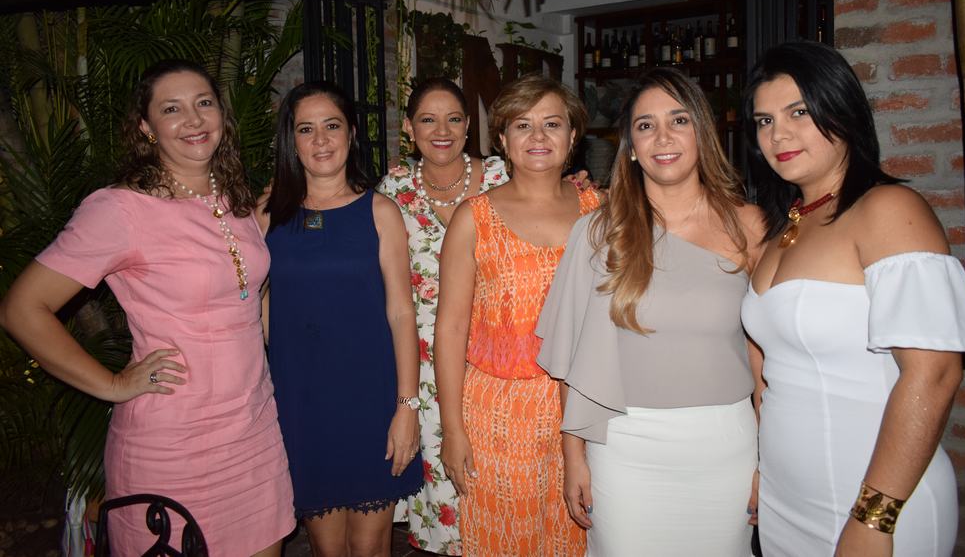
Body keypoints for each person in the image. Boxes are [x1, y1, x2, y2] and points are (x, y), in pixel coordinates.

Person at [0, 60, 295, 555]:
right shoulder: (120, 210)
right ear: (146, 127)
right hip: (173, 445)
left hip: (254, 432)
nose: (193, 119)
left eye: (203, 103)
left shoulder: (235, 197)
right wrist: (112, 384)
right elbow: (23, 309)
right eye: (171, 109)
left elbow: (250, 297)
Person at [740, 40, 965, 556]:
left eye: (799, 112)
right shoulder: (783, 228)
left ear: (841, 109)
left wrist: (874, 517)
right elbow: (772, 374)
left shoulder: (889, 209)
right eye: (765, 121)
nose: (779, 134)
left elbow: (934, 373)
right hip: (787, 499)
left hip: (873, 502)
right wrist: (764, 468)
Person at [535, 68, 763, 555]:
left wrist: (771, 458)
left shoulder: (750, 227)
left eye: (679, 120)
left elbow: (766, 355)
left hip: (726, 447)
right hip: (624, 448)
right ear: (632, 147)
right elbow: (572, 361)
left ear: (702, 132)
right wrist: (574, 455)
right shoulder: (598, 232)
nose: (663, 137)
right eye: (645, 125)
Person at [376, 77, 590, 555]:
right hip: (495, 407)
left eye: (552, 124)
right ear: (503, 138)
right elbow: (449, 325)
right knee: (498, 537)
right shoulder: (462, 212)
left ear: (573, 135)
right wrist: (451, 429)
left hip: (583, 407)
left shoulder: (599, 211)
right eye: (523, 125)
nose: (538, 136)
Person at [259, 81, 421, 557]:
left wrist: (407, 407)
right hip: (302, 402)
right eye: (305, 129)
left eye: (331, 126)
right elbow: (253, 303)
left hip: (371, 399)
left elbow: (401, 313)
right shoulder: (267, 214)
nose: (321, 140)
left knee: (369, 547)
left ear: (351, 133)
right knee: (326, 548)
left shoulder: (380, 211)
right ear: (291, 140)